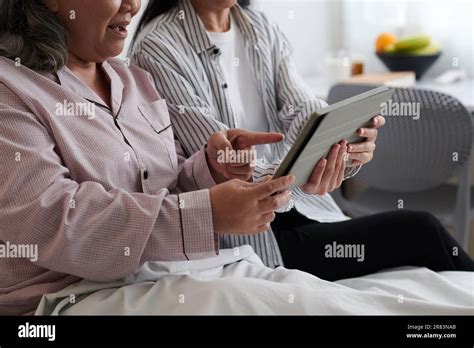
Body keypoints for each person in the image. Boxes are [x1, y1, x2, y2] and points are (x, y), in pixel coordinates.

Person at [131, 0, 474, 278]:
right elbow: (220, 165)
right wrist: (305, 171)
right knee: (421, 228)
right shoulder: (159, 47)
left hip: (306, 208)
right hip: (253, 233)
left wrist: (345, 147)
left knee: (420, 236)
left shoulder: (259, 27)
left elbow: (307, 113)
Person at [0, 0, 296, 315]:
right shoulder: (11, 88)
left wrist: (211, 169)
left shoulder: (133, 80)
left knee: (313, 296)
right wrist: (204, 213)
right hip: (73, 299)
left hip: (169, 279)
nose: (133, 4)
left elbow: (166, 188)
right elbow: (51, 221)